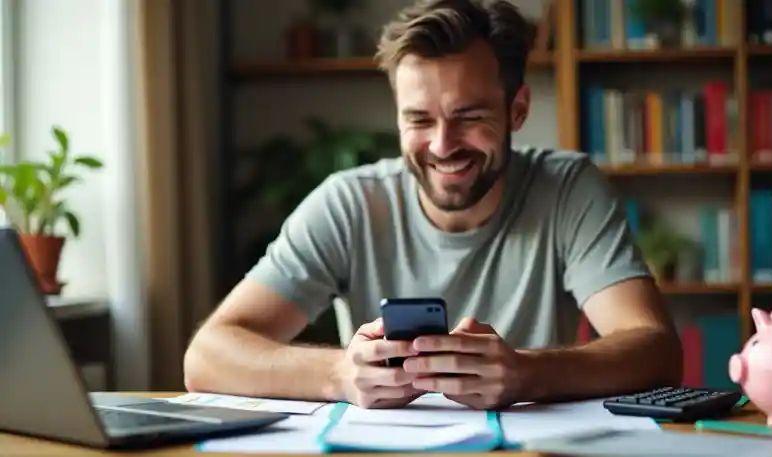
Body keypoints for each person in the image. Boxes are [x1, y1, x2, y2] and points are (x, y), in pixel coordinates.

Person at [184, 0, 682, 410]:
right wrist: (338, 374)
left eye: (469, 117)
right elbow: (207, 356)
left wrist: (529, 373)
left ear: (518, 110)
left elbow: (655, 349)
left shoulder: (568, 189)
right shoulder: (348, 202)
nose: (443, 145)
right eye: (419, 120)